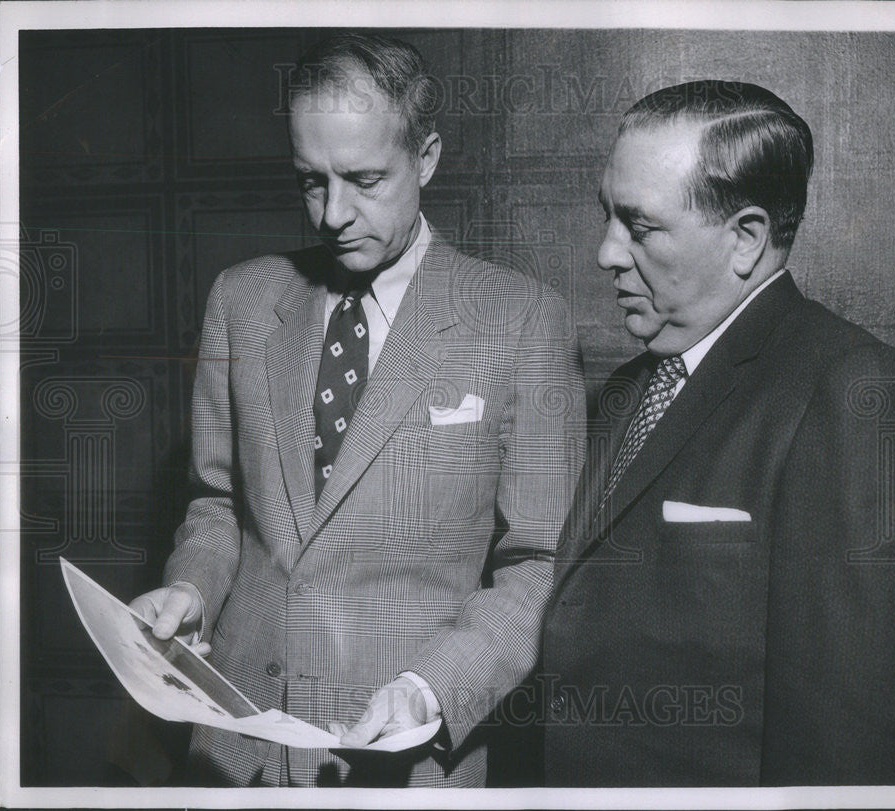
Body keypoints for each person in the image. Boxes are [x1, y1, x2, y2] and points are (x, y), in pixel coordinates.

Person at [130, 32, 584, 787]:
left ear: (427, 157)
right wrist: (192, 590)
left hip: (400, 761)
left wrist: (431, 687)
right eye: (312, 181)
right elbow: (215, 505)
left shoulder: (522, 319)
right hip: (232, 747)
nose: (333, 214)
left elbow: (541, 564)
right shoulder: (240, 300)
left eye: (364, 179)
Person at [540, 80, 895, 786]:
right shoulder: (629, 389)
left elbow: (862, 749)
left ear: (746, 238)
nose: (606, 252)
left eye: (639, 226)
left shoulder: (861, 395)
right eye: (606, 215)